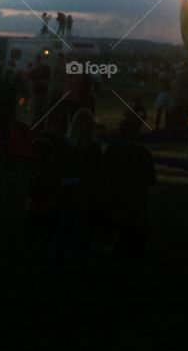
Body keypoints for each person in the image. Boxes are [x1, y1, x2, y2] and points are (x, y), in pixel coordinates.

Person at [52, 108, 103, 270]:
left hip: (67, 191)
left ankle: (58, 259)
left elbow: (57, 168)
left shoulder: (64, 145)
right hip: (84, 194)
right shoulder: (94, 148)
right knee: (82, 229)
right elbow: (97, 174)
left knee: (63, 225)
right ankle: (78, 260)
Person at [101, 112, 157, 255]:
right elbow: (151, 180)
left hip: (115, 196)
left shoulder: (112, 150)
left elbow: (104, 173)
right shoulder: (143, 154)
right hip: (135, 200)